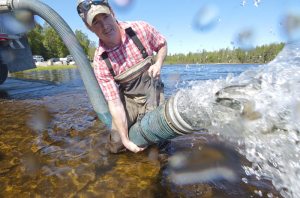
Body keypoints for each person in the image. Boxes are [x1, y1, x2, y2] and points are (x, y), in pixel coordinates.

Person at [77, 0, 168, 153]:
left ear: (112, 12)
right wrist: (125, 140)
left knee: (160, 139)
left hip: (153, 92)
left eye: (105, 17)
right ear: (89, 28)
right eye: (96, 23)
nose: (104, 26)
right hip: (128, 99)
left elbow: (162, 44)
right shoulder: (101, 62)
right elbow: (115, 104)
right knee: (116, 144)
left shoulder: (141, 29)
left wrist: (158, 63)